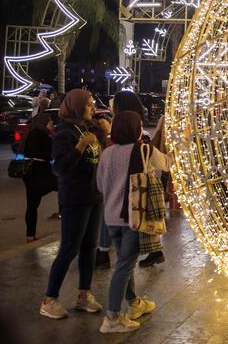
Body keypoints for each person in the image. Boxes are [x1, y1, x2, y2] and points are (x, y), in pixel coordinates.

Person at [40, 89, 110, 320]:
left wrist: (104, 135)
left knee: (89, 248)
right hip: (74, 200)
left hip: (94, 196)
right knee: (69, 249)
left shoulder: (89, 129)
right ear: (77, 107)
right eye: (88, 104)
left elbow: (102, 159)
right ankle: (49, 299)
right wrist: (80, 147)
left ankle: (84, 295)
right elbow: (58, 168)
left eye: (92, 104)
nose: (92, 108)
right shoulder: (65, 134)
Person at [96, 110, 166, 333]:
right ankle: (112, 319)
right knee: (123, 267)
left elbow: (99, 185)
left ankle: (134, 303)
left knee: (125, 265)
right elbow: (167, 164)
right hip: (133, 219)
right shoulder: (145, 150)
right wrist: (183, 139)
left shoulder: (107, 153)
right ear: (136, 129)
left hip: (111, 219)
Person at [21, 113, 57, 242]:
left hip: (36, 173)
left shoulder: (39, 132)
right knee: (63, 186)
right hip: (38, 173)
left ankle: (30, 235)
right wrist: (50, 155)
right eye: (50, 121)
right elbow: (30, 152)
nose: (52, 123)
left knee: (32, 204)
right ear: (43, 122)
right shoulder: (37, 133)